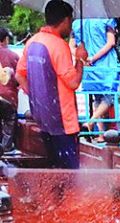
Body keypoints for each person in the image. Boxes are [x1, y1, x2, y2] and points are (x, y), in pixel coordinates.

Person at [16, 0, 88, 168]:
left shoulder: (33, 41)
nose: (71, 26)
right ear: (65, 20)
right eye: (71, 21)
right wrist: (80, 60)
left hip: (43, 118)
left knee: (53, 169)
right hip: (62, 120)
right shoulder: (58, 45)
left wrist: (37, 96)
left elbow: (19, 75)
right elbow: (73, 82)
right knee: (70, 172)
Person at [72, 17, 118, 142]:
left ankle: (101, 134)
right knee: (109, 96)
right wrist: (93, 58)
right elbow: (111, 42)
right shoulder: (106, 20)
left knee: (97, 97)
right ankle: (90, 123)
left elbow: (72, 46)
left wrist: (83, 59)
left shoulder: (77, 23)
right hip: (106, 63)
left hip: (88, 66)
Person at [0, 27, 19, 154]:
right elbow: (19, 78)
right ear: (6, 39)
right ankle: (6, 149)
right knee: (9, 119)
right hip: (8, 97)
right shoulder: (13, 56)